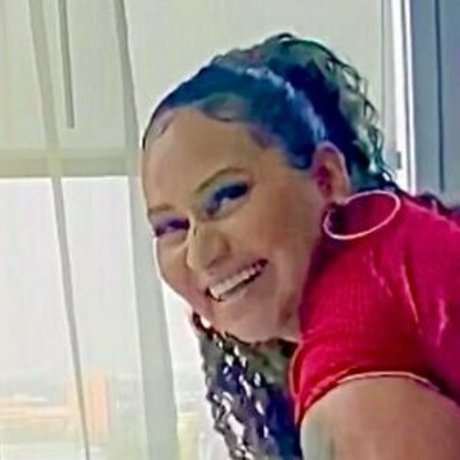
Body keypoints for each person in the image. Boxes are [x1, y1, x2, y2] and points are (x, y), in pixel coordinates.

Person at [141, 33, 460, 459]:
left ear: (327, 176)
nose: (201, 254)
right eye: (171, 226)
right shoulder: (404, 240)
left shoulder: (350, 389)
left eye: (228, 194)